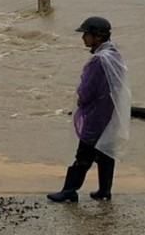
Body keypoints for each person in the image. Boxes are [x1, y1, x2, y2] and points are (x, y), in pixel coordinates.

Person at [47, 16, 131, 203]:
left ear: (97, 37)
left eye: (86, 34)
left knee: (84, 152)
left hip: (96, 113)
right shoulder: (114, 55)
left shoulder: (98, 60)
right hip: (111, 112)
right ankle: (104, 190)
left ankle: (69, 190)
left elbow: (86, 91)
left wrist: (80, 100)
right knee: (106, 151)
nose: (83, 37)